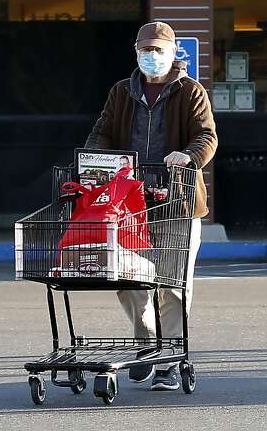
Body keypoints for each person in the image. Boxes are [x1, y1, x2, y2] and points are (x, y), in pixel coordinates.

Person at [85, 20, 217, 391]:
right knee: (128, 280)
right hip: (128, 204)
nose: (152, 56)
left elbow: (206, 135)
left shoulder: (190, 92)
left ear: (174, 53)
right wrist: (95, 162)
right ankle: (147, 345)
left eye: (159, 50)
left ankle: (170, 360)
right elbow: (102, 132)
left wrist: (188, 156)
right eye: (146, 50)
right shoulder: (121, 92)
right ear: (137, 53)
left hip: (176, 202)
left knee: (173, 285)